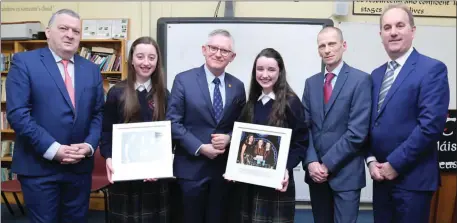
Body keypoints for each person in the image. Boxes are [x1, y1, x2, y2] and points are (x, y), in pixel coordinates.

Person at [5, 9, 104, 222]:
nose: (70, 34)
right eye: (63, 28)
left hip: (79, 168)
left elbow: (98, 114)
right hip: (39, 167)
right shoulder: (24, 62)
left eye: (76, 31)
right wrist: (54, 149)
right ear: (48, 32)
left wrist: (88, 146)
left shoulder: (92, 70)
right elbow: (18, 114)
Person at [366, 4, 450, 223]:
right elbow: (369, 123)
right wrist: (371, 160)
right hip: (381, 179)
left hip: (413, 181)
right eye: (387, 27)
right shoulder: (375, 76)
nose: (393, 32)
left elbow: (430, 126)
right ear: (381, 35)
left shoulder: (432, 69)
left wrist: (395, 164)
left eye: (399, 25)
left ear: (412, 31)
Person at [166, 29, 246, 223]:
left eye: (224, 51)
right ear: (204, 49)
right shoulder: (183, 80)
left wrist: (229, 137)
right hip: (190, 170)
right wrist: (200, 148)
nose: (218, 54)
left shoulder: (237, 86)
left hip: (223, 172)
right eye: (213, 48)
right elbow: (173, 122)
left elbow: (242, 125)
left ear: (232, 57)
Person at [302, 26, 372, 223]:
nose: (327, 50)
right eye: (322, 46)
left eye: (332, 44)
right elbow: (304, 128)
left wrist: (326, 164)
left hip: (346, 175)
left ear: (344, 45)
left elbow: (357, 133)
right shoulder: (311, 83)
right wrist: (312, 162)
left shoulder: (360, 80)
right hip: (316, 176)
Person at [230, 48, 308, 222]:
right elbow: (241, 142)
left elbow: (301, 142)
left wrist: (286, 168)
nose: (265, 74)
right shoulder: (251, 102)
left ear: (280, 72)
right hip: (248, 183)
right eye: (260, 69)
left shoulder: (291, 102)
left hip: (277, 183)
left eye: (271, 70)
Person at [99, 36, 171, 222]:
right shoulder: (117, 92)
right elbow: (106, 131)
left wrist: (163, 164)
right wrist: (108, 157)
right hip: (125, 175)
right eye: (140, 56)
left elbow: (171, 134)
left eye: (151, 57)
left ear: (157, 61)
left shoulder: (165, 94)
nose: (145, 62)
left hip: (155, 176)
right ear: (131, 59)